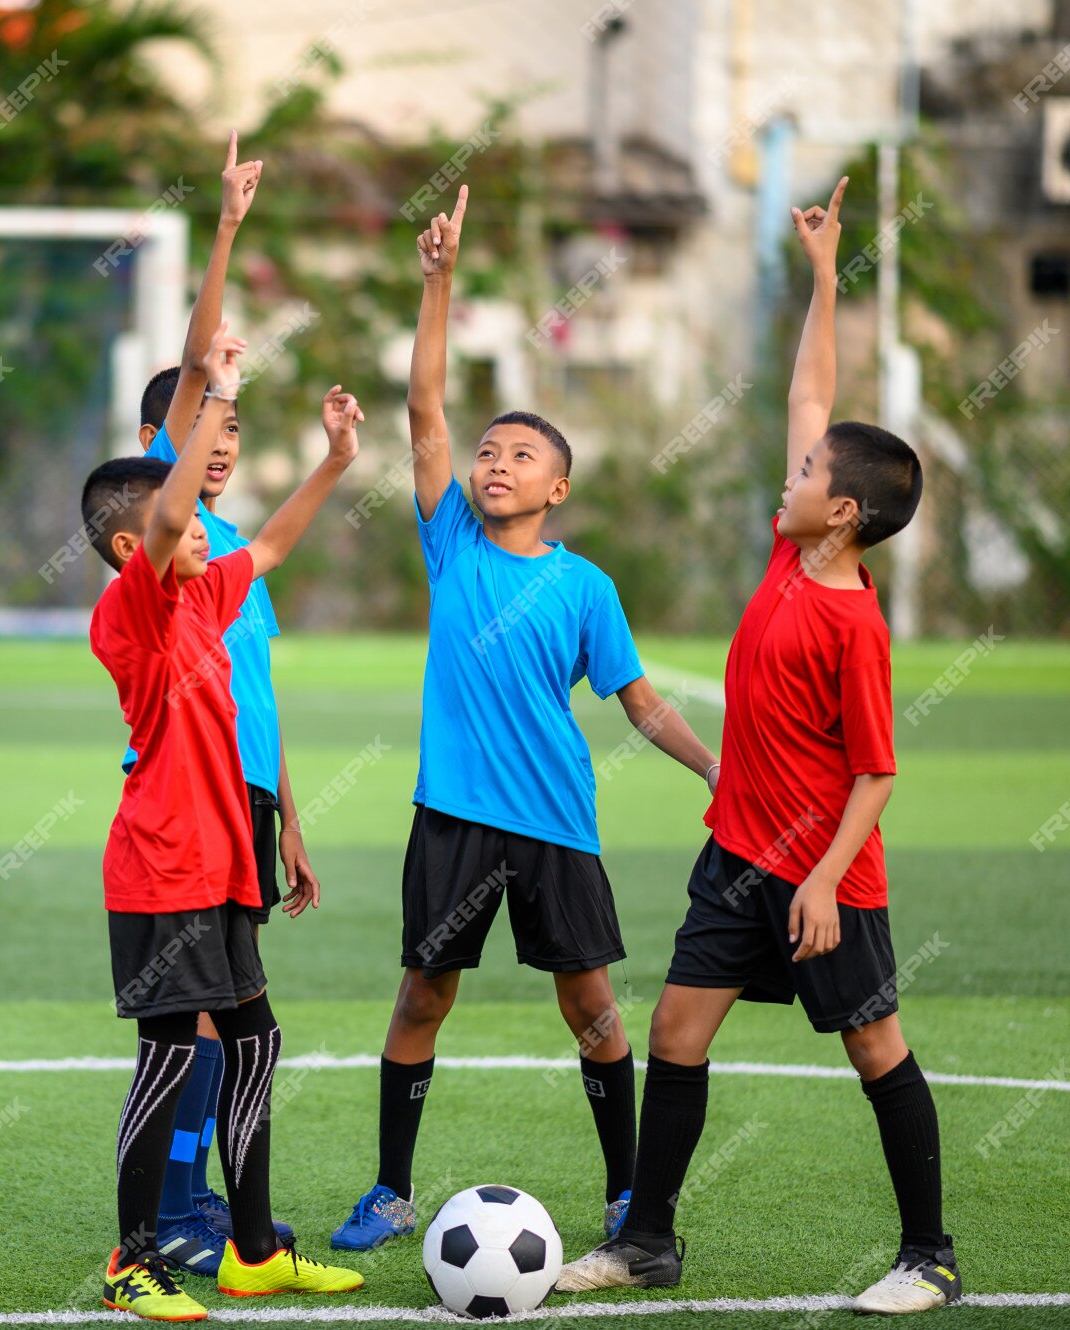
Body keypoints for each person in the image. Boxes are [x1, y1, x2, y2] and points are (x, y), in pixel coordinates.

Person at [554, 178, 958, 1316]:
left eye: (802, 478)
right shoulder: (791, 559)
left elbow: (877, 772)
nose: (787, 477)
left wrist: (826, 878)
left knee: (874, 1047)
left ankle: (927, 1253)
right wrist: (827, 276)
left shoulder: (851, 621)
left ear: (841, 514)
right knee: (678, 1029)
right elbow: (810, 395)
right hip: (738, 852)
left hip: (825, 873)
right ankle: (647, 1240)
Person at [332, 185, 719, 1254]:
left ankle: (626, 1200)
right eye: (487, 452)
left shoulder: (585, 587)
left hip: (554, 820)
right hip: (452, 814)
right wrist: (436, 279)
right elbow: (421, 410)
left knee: (593, 1012)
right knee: (420, 998)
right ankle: (391, 1190)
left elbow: (638, 702)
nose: (492, 464)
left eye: (518, 457)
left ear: (556, 487)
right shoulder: (448, 539)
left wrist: (708, 770)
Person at [86, 325, 366, 1320]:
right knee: (169, 1055)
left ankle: (252, 1249)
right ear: (137, 549)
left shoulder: (208, 600)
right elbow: (169, 516)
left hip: (220, 865)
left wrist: (333, 461)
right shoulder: (139, 609)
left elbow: (275, 542)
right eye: (181, 524)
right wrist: (216, 381)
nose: (202, 526)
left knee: (253, 1039)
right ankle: (131, 1260)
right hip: (161, 869)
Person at [124, 134, 310, 1277]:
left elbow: (263, 693)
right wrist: (229, 222)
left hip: (244, 796)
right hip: (182, 804)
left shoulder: (235, 551)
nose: (224, 448)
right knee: (197, 1017)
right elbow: (196, 366)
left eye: (235, 437)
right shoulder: (167, 530)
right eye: (207, 435)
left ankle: (209, 1209)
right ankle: (181, 1211)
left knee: (239, 1014)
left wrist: (289, 816)